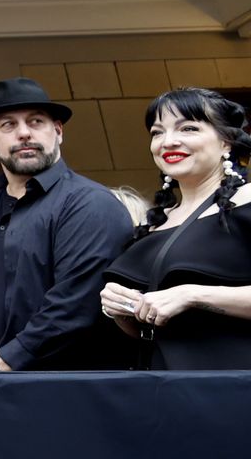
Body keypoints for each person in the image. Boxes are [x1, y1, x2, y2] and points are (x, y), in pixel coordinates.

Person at [0, 77, 132, 372]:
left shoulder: (90, 204)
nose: (24, 133)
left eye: (36, 121)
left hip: (66, 392)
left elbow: (72, 308)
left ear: (58, 131)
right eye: (8, 125)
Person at [99, 87, 251, 368]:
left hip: (235, 386)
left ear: (226, 141)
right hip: (164, 388)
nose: (168, 141)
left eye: (188, 128)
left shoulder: (248, 202)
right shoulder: (155, 223)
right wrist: (122, 309)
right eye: (157, 132)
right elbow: (146, 330)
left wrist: (192, 294)